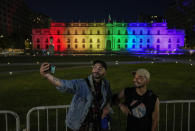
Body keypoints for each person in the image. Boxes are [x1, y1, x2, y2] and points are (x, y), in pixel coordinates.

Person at [40, 60, 112, 131]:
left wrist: (106, 109)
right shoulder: (82, 84)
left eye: (100, 68)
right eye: (95, 67)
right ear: (92, 69)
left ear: (105, 72)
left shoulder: (105, 84)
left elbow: (108, 97)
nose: (96, 70)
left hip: (96, 124)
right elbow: (64, 84)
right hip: (80, 124)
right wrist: (47, 75)